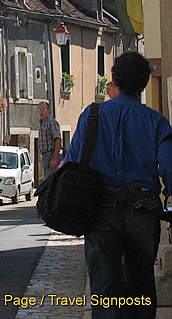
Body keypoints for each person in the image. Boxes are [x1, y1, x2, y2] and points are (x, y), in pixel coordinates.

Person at [64, 51, 172, 319]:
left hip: (101, 207)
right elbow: (169, 167)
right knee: (141, 283)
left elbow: (71, 164)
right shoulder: (156, 121)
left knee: (105, 286)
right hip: (143, 207)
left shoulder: (92, 115)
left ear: (113, 79)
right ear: (144, 84)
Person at [37, 101, 62, 179]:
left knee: (49, 182)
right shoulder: (43, 123)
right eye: (39, 109)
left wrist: (54, 158)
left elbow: (58, 139)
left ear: (48, 110)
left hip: (51, 155)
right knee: (48, 181)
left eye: (43, 109)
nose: (41, 112)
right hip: (45, 156)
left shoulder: (52, 122)